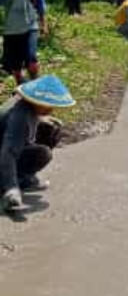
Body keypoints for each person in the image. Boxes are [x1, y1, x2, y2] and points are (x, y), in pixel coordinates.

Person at [0, 73, 74, 216]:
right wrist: (11, 188)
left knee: (52, 130)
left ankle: (24, 177)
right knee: (43, 153)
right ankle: (10, 183)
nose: (51, 109)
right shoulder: (19, 117)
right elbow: (8, 153)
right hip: (3, 155)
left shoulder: (25, 104)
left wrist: (42, 119)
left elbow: (34, 117)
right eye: (48, 105)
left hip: (7, 145)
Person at [0, 0, 47, 85]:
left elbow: (40, 3)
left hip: (30, 26)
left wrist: (44, 24)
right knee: (16, 63)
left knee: (31, 58)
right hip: (12, 28)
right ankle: (20, 86)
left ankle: (36, 84)